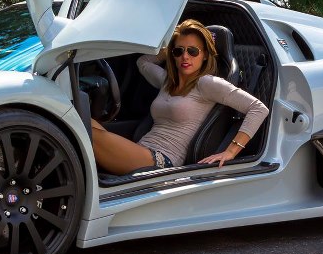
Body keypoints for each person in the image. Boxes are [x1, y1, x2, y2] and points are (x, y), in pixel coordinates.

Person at [91, 19, 269, 175]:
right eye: (178, 51)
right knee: (82, 119)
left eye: (193, 51)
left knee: (85, 132)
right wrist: (169, 48)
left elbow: (258, 108)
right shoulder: (167, 81)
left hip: (162, 161)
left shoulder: (207, 83)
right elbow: (143, 62)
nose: (185, 56)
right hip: (140, 149)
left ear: (205, 55)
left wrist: (231, 151)